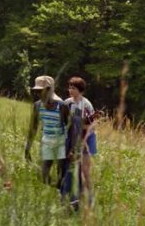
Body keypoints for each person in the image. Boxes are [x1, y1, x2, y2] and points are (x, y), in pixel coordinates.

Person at [24, 76, 73, 190]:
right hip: (47, 141)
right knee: (44, 175)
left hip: (61, 142)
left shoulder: (62, 106)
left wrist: (72, 148)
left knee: (61, 175)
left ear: (49, 89)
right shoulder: (37, 105)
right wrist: (27, 147)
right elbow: (33, 127)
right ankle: (57, 190)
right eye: (35, 91)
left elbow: (71, 128)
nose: (37, 93)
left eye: (40, 91)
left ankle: (63, 196)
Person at [65, 76, 97, 206]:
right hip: (73, 138)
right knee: (72, 169)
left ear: (80, 90)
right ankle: (74, 197)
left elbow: (92, 124)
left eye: (73, 88)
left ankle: (90, 198)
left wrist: (83, 140)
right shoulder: (67, 103)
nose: (70, 90)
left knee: (85, 170)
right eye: (69, 87)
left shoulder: (86, 104)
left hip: (87, 139)